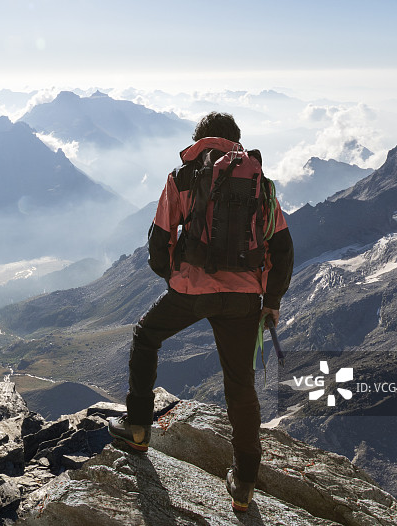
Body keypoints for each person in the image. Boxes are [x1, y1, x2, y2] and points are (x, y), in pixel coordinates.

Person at [108, 111, 294, 512]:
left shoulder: (182, 177)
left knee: (146, 335)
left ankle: (138, 429)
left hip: (191, 290)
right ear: (236, 141)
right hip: (245, 299)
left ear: (201, 138)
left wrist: (178, 277)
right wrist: (272, 302)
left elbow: (159, 242)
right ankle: (244, 481)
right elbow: (282, 250)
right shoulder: (260, 182)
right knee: (240, 384)